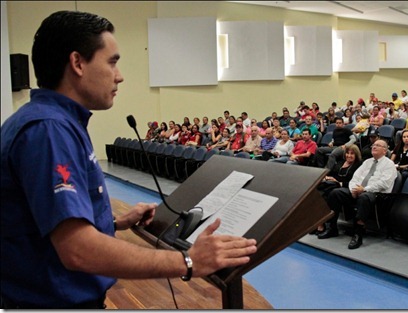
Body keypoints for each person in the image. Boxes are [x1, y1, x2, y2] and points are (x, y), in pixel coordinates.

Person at [0, 11, 257, 309]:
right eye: (112, 61)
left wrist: (113, 222)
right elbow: (78, 250)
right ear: (77, 63)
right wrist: (188, 261)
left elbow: (40, 219)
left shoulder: (44, 122)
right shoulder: (50, 130)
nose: (119, 75)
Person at [322, 140, 397, 250]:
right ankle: (332, 228)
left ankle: (358, 234)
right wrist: (353, 189)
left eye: (377, 145)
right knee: (336, 193)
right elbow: (355, 178)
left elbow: (384, 184)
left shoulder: (389, 164)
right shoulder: (367, 162)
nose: (374, 147)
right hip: (358, 190)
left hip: (376, 195)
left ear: (385, 150)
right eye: (373, 145)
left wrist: (364, 189)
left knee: (364, 197)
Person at [315, 145, 363, 236]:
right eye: (347, 153)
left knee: (328, 193)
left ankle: (323, 224)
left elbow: (355, 181)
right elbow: (333, 173)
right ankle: (321, 223)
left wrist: (339, 182)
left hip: (346, 187)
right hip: (333, 185)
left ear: (356, 155)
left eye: (352, 153)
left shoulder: (359, 165)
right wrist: (328, 177)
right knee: (319, 191)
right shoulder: (341, 162)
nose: (349, 155)